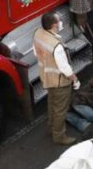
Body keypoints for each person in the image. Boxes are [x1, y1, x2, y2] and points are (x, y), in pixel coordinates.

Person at [33, 12, 80, 146]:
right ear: (54, 25)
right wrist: (75, 79)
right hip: (60, 82)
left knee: (52, 104)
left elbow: (36, 53)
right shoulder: (56, 46)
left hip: (46, 77)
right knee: (60, 109)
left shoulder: (38, 34)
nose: (61, 22)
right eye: (59, 21)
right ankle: (59, 136)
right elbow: (65, 68)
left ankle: (52, 128)